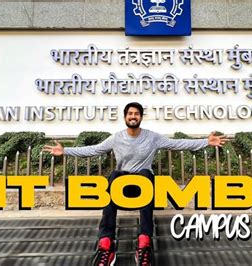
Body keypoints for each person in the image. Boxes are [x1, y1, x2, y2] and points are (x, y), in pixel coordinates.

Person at [43, 102, 228, 266]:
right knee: (114, 175)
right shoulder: (116, 138)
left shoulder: (152, 137)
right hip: (122, 186)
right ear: (125, 117)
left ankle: (144, 243)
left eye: (136, 114)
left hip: (143, 185)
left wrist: (206, 142)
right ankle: (106, 244)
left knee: (146, 175)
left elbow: (177, 144)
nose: (133, 116)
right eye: (130, 114)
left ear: (140, 117)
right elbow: (94, 150)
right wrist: (65, 150)